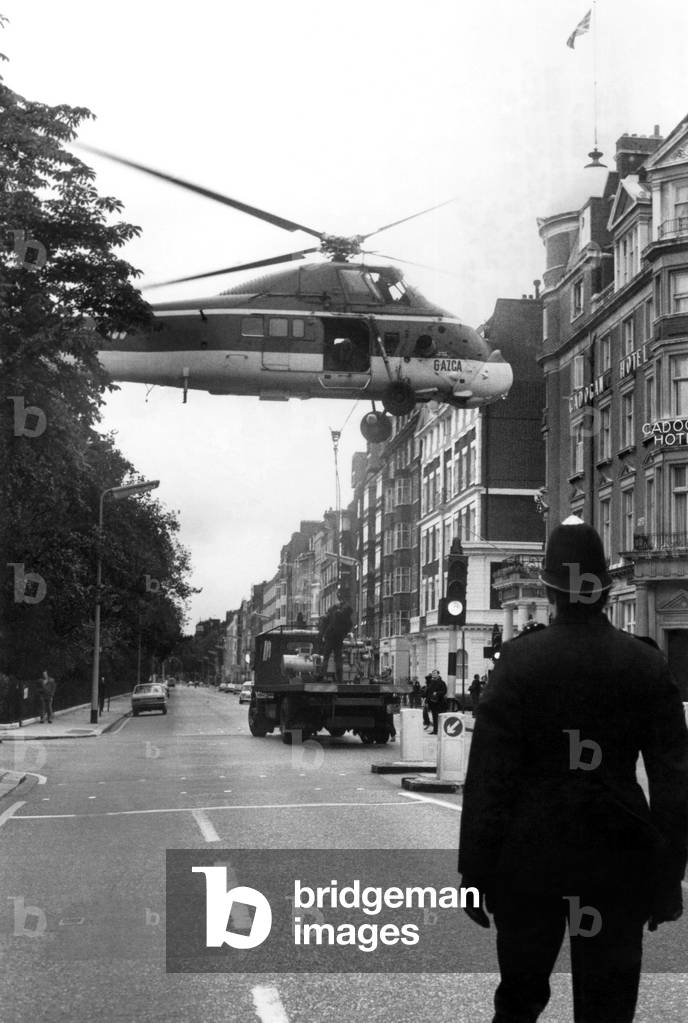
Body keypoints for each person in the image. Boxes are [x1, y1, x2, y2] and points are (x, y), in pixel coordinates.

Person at [458, 516, 688, 1023]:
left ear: (549, 591)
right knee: (607, 1007)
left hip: (529, 857)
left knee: (518, 1000)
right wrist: (668, 877)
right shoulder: (645, 664)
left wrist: (474, 871)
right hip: (618, 858)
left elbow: (488, 779)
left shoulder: (518, 663)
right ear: (606, 590)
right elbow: (674, 784)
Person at [318, 589, 354, 685]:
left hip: (330, 636)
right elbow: (349, 626)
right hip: (339, 638)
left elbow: (326, 620)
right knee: (338, 658)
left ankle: (323, 675)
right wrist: (344, 635)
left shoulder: (334, 610)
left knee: (326, 656)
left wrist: (323, 634)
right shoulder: (347, 615)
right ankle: (339, 679)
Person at [425, 668, 447, 734]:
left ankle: (441, 731)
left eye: (435, 673)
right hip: (432, 702)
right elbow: (428, 692)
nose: (433, 674)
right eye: (433, 673)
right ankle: (435, 731)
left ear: (438, 674)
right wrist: (426, 701)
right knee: (434, 717)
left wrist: (437, 693)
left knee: (439, 717)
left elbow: (444, 691)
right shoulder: (431, 682)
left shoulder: (442, 682)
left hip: (439, 702)